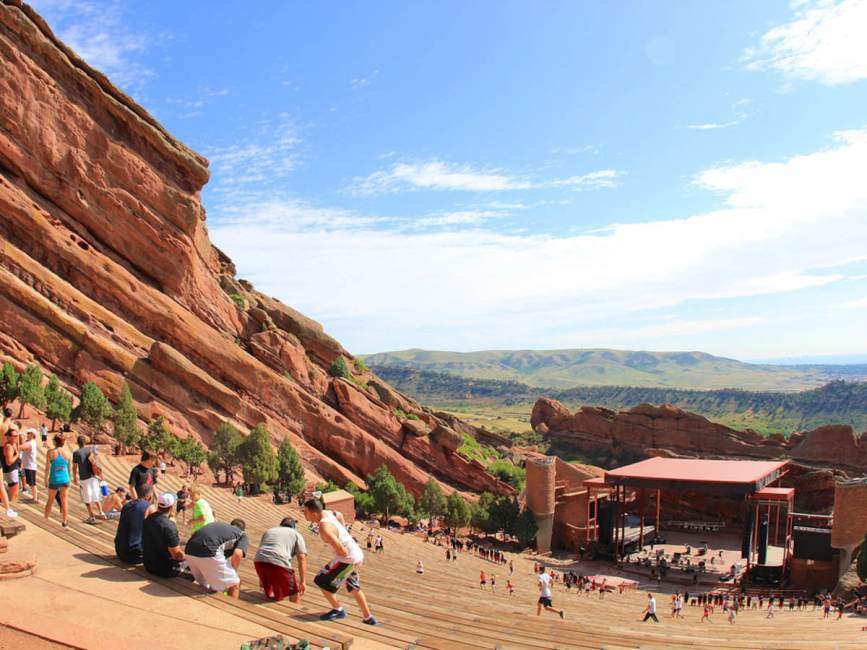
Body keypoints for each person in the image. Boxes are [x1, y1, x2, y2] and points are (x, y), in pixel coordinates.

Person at [302, 497, 377, 625]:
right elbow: (340, 515)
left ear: (314, 513)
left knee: (321, 580)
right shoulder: (327, 513)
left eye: (305, 512)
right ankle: (368, 617)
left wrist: (338, 555)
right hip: (357, 553)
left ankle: (338, 610)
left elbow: (343, 551)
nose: (304, 514)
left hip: (347, 558)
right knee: (352, 585)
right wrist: (344, 533)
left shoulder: (323, 527)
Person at [185, 519, 249, 599]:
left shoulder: (220, 527)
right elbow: (238, 554)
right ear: (243, 529)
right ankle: (229, 610)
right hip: (209, 551)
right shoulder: (242, 535)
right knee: (234, 583)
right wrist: (234, 571)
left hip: (189, 550)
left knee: (206, 584)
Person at [254, 517, 308, 603]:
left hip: (259, 561)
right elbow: (302, 557)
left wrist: (261, 578)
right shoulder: (296, 534)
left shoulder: (269, 531)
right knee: (294, 592)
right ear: (294, 527)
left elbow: (262, 550)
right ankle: (292, 613)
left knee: (270, 593)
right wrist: (302, 581)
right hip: (279, 563)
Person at [142, 492, 184, 577]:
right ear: (171, 507)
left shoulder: (148, 519)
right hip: (165, 569)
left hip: (148, 564)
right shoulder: (169, 526)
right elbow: (177, 556)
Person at [115, 484, 155, 563]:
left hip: (120, 551)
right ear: (149, 496)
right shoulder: (149, 507)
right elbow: (158, 525)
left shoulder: (126, 505)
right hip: (135, 555)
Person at [72, 436, 104, 524]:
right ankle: (101, 512)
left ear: (77, 443)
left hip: (84, 478)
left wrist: (74, 478)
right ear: (85, 442)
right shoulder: (89, 450)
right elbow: (95, 463)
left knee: (87, 498)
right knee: (96, 495)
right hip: (93, 477)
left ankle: (92, 517)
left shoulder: (76, 453)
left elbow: (74, 468)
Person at [43, 434, 71, 527]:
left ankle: (45, 519)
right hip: (65, 478)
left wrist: (45, 480)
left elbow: (47, 468)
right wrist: (69, 480)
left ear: (55, 442)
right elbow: (69, 469)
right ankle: (65, 522)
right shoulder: (68, 454)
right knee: (64, 500)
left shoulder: (50, 452)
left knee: (50, 500)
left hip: (54, 478)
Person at [19, 428, 39, 503]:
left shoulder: (31, 443)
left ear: (33, 435)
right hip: (28, 466)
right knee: (31, 483)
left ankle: (35, 498)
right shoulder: (29, 442)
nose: (27, 435)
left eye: (29, 433)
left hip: (30, 466)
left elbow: (21, 447)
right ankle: (35, 497)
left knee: (32, 483)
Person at [2, 429, 21, 507]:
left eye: (17, 436)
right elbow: (9, 462)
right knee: (13, 494)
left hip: (13, 471)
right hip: (10, 472)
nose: (16, 437)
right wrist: (17, 455)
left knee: (15, 492)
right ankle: (10, 509)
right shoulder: (9, 446)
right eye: (14, 436)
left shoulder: (13, 444)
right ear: (9, 437)